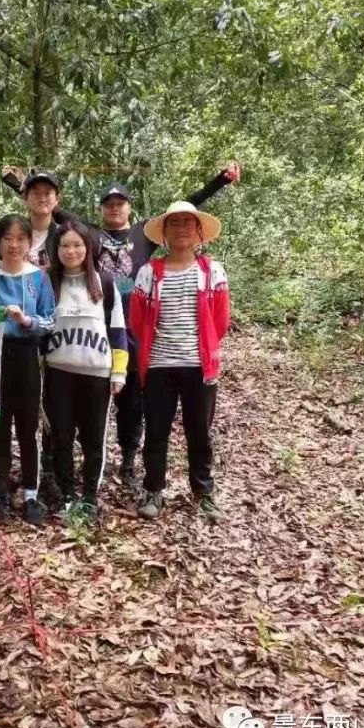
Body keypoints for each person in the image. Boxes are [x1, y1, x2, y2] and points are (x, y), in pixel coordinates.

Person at [4, 163, 240, 488]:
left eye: (120, 203)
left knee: (133, 403)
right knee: (72, 405)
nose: (114, 208)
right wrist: (18, 184)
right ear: (101, 209)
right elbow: (53, 209)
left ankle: (129, 458)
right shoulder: (90, 234)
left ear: (129, 206)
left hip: (136, 335)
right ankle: (59, 466)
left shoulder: (144, 234)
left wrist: (220, 181)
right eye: (108, 204)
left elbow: (189, 207)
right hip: (96, 335)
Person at [128, 201, 231, 523]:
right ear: (164, 232)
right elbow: (137, 320)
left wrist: (201, 347)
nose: (182, 229)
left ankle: (203, 492)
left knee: (199, 431)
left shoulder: (212, 271)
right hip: (158, 365)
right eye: (175, 223)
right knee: (157, 431)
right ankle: (153, 489)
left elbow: (221, 320)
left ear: (198, 231)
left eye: (188, 223)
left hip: (199, 366)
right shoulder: (149, 273)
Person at [0, 214, 56, 527]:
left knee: (27, 426)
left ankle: (31, 494)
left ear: (28, 243)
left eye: (20, 239)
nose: (14, 244)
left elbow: (50, 320)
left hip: (26, 356)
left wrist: (27, 322)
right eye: (7, 238)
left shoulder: (39, 278)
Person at [43, 220, 128, 516]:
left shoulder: (104, 283)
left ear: (88, 248)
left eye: (77, 244)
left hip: (96, 374)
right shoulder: (48, 281)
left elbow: (117, 329)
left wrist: (119, 371)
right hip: (57, 373)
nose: (71, 250)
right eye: (65, 245)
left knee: (93, 439)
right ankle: (67, 494)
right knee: (61, 437)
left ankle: (90, 495)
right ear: (56, 249)